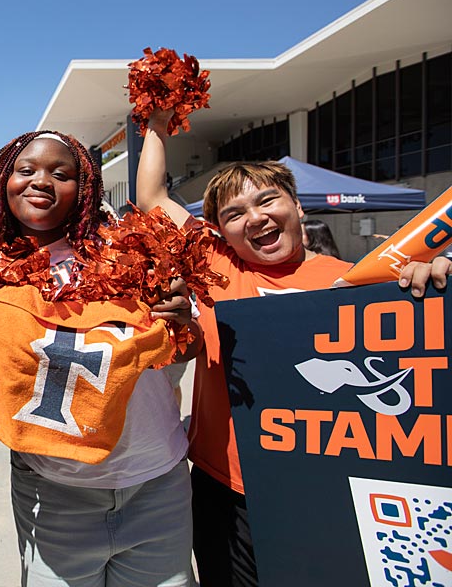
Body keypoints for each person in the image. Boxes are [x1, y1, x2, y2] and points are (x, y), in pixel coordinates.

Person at [136, 108, 450, 587]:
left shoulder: (357, 282)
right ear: (219, 231)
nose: (255, 218)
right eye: (234, 214)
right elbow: (153, 197)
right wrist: (157, 126)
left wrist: (431, 285)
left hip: (326, 485)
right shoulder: (219, 270)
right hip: (228, 490)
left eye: (267, 202)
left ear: (298, 207)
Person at [0, 130, 202, 587]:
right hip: (53, 492)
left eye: (60, 173)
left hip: (156, 483)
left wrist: (185, 325)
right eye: (25, 170)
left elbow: (189, 348)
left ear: (84, 186)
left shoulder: (135, 253)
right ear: (1, 182)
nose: (40, 181)